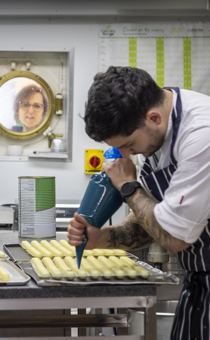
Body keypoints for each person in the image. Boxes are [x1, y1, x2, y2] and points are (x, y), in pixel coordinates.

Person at [68, 66, 210, 340]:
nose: (125, 155)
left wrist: (128, 186)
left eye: (129, 145)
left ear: (153, 117)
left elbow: (175, 237)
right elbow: (155, 220)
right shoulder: (155, 133)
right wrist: (103, 238)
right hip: (199, 277)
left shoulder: (201, 134)